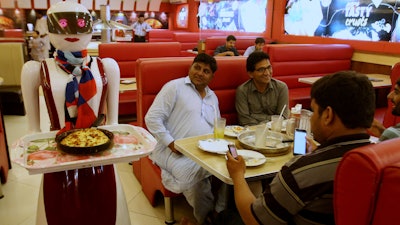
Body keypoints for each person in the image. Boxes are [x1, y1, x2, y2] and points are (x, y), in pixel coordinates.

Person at [21, 2, 130, 224]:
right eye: (62, 24)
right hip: (58, 155)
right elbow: (32, 131)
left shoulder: (107, 66)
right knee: (58, 210)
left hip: (99, 151)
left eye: (80, 24)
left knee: (106, 208)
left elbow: (115, 125)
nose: (71, 32)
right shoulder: (35, 69)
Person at [222, 71, 375, 225]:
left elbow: (254, 220)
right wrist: (319, 153)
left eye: (313, 111)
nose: (312, 117)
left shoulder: (300, 172)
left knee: (226, 218)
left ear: (328, 115)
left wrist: (237, 175)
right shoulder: (379, 158)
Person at [145, 53, 223, 225]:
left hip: (205, 150)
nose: (200, 73)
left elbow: (216, 126)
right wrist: (171, 143)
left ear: (211, 76)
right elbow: (152, 118)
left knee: (231, 166)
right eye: (197, 67)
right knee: (195, 175)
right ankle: (206, 219)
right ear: (191, 67)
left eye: (206, 71)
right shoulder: (175, 87)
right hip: (173, 151)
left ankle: (220, 211)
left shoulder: (212, 97)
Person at [235, 51, 289, 126]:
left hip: (275, 132)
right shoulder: (243, 91)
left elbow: (282, 118)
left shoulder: (281, 88)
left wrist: (254, 116)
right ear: (250, 74)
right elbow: (245, 121)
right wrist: (271, 120)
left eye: (269, 67)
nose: (267, 73)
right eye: (261, 70)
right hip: (252, 133)